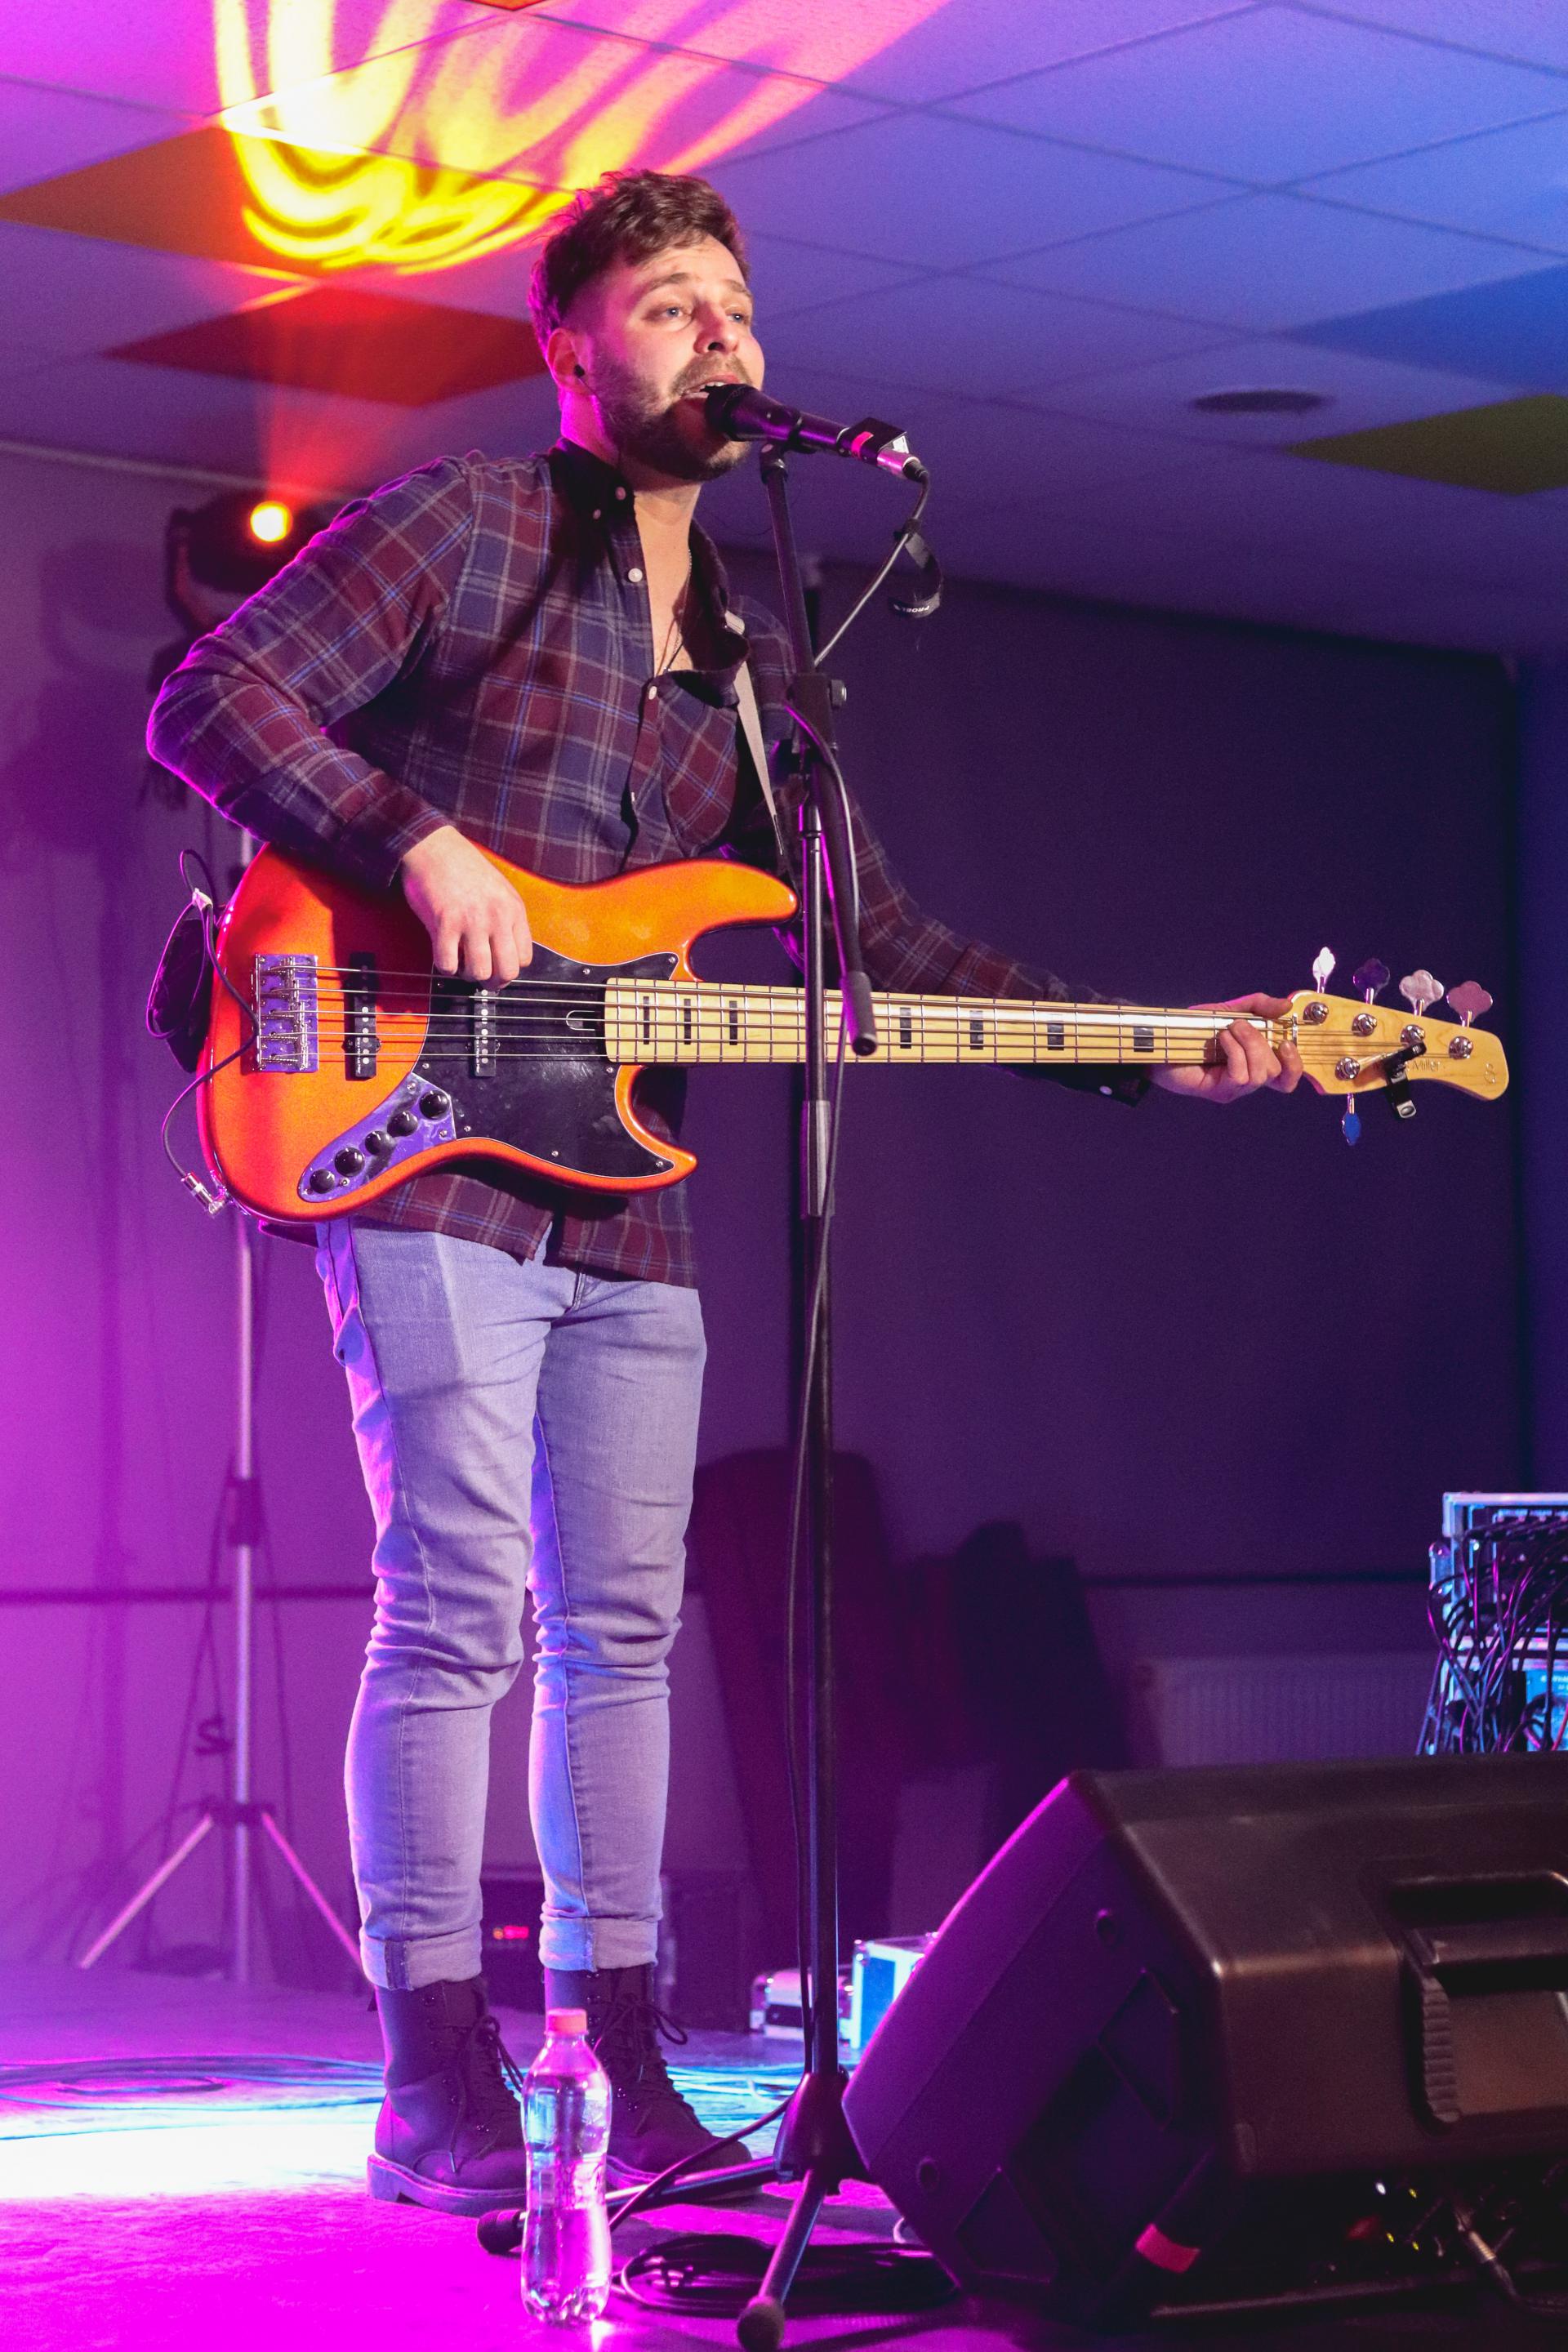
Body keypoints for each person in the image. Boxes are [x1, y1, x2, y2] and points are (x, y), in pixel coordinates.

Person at [148, 168, 1301, 2214]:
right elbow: (208, 697)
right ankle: (431, 2071)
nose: (720, 335)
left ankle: (618, 2053)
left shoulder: (760, 670)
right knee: (458, 1606)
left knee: (621, 1629)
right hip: (411, 1140)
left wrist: (1150, 1043)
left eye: (736, 306)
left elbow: (887, 950)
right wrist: (417, 842)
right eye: (672, 301)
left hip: (631, 1197)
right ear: (570, 347)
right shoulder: (468, 525)